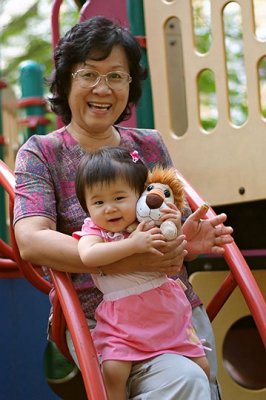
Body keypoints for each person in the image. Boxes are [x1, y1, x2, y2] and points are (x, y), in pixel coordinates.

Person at [14, 16, 233, 400]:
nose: (103, 88)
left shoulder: (148, 145)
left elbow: (169, 229)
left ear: (130, 85)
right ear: (66, 80)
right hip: (101, 317)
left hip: (170, 307)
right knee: (186, 383)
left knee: (199, 382)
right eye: (89, 74)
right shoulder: (43, 152)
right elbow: (32, 241)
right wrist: (125, 258)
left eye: (117, 76)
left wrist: (189, 241)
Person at [73, 146, 210, 400]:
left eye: (119, 198)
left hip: (165, 313)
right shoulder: (95, 232)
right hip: (122, 321)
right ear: (86, 207)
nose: (110, 209)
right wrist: (132, 245)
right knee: (113, 370)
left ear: (138, 197)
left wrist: (177, 226)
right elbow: (88, 256)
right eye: (98, 202)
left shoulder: (147, 224)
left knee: (203, 368)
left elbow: (173, 250)